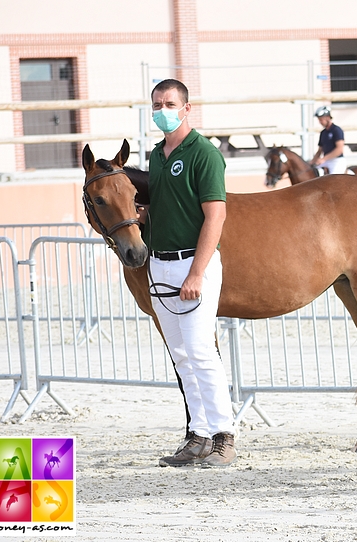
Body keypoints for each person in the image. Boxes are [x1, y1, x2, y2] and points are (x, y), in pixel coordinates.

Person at [144, 78, 236, 468]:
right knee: (181, 354)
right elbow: (164, 208)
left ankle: (224, 436)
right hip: (160, 263)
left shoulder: (204, 154)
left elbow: (215, 216)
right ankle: (198, 435)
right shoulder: (154, 156)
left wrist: (196, 273)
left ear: (186, 108)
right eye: (157, 104)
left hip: (192, 263)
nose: (162, 111)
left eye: (169, 104)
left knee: (201, 350)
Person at [311, 106, 347, 174]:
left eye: (321, 120)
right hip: (326, 161)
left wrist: (323, 159)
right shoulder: (323, 133)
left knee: (333, 180)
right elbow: (320, 150)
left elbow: (339, 150)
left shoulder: (337, 130)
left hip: (337, 161)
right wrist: (312, 161)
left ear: (327, 118)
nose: (320, 122)